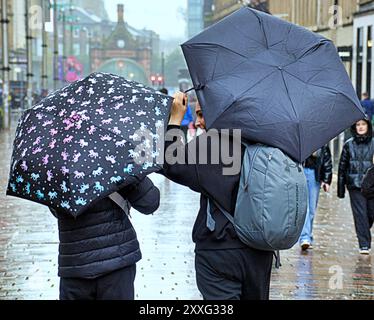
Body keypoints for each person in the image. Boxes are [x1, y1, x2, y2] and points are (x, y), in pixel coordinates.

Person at [161, 92, 273, 300]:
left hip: (218, 248)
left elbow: (171, 164)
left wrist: (174, 120)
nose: (198, 122)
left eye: (202, 114)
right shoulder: (265, 141)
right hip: (259, 250)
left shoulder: (211, 144)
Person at [50, 177, 160, 300]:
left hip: (74, 265)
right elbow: (150, 203)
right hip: (117, 262)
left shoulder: (54, 163)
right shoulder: (118, 159)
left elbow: (56, 210)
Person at [338, 118, 374, 255]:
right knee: (360, 215)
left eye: (363, 124)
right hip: (355, 186)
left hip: (371, 186)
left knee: (370, 214)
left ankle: (364, 230)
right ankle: (364, 244)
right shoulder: (349, 145)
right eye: (358, 124)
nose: (360, 127)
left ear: (368, 126)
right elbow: (342, 167)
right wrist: (341, 190)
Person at [300, 145, 332, 251]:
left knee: (312, 209)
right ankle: (304, 238)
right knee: (305, 207)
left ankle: (308, 235)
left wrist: (326, 180)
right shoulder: (301, 139)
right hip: (301, 172)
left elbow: (327, 160)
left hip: (315, 175)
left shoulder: (321, 141)